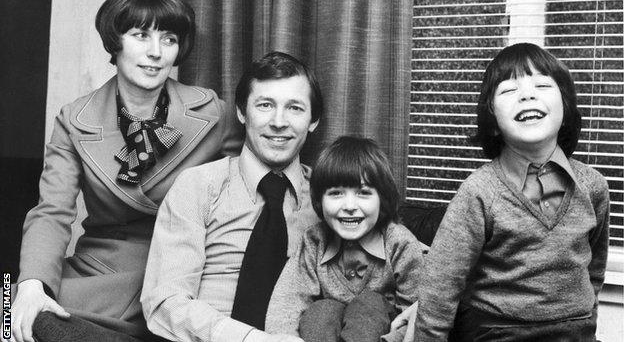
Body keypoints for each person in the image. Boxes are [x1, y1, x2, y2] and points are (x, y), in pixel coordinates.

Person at [10, 0, 242, 341]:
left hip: (185, 273)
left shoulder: (215, 114)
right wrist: (29, 285)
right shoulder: (75, 119)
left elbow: (245, 196)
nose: (156, 52)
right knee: (7, 316)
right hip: (100, 273)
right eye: (141, 35)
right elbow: (51, 211)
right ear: (114, 41)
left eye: (169, 39)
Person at [401, 43, 610, 341]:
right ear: (493, 122)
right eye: (509, 90)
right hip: (496, 332)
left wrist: (585, 322)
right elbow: (441, 285)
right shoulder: (479, 191)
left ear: (565, 108)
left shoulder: (594, 186)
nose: (527, 94)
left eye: (541, 85)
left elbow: (594, 272)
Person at [141, 51, 323, 342]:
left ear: (313, 121)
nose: (279, 122)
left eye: (295, 109)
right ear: (241, 112)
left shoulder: (329, 199)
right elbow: (165, 303)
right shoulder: (198, 186)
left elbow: (394, 260)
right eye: (265, 105)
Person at [265, 136, 425, 342]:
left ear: (382, 199)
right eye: (336, 193)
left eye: (363, 193)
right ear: (319, 200)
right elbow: (288, 302)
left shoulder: (399, 243)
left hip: (383, 331)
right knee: (321, 310)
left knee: (370, 304)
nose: (349, 206)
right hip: (326, 329)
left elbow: (418, 311)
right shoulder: (315, 240)